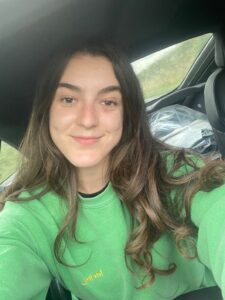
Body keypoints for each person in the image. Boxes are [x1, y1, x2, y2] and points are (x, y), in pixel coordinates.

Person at [0, 42, 225, 300]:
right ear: (46, 112)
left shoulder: (178, 172)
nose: (87, 119)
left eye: (108, 101)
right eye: (69, 99)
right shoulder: (27, 216)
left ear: (127, 114)